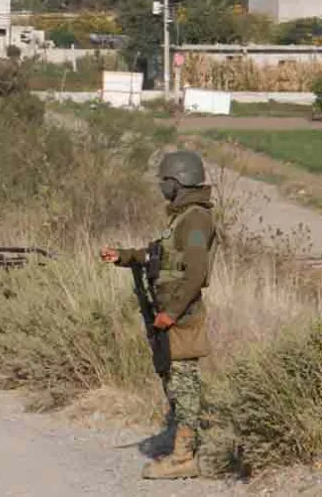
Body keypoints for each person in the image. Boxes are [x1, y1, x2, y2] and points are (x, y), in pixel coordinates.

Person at [100, 150, 217, 480]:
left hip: (182, 316)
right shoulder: (182, 217)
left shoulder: (196, 219)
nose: (161, 187)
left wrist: (172, 314)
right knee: (174, 381)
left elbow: (194, 272)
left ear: (177, 182)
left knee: (184, 385)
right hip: (171, 313)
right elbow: (157, 255)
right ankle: (184, 450)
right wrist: (123, 256)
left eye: (164, 181)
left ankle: (184, 458)